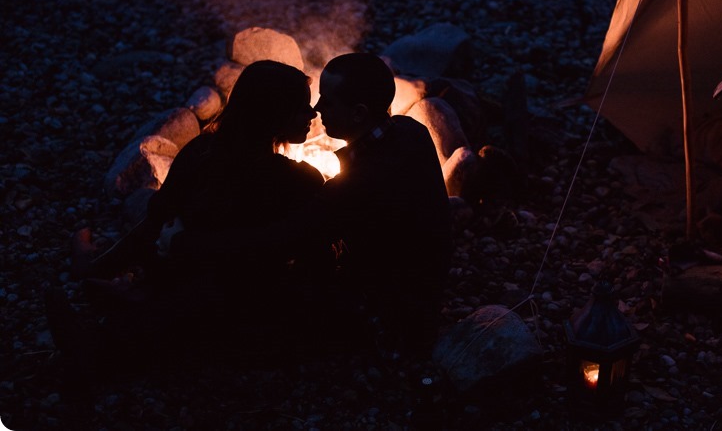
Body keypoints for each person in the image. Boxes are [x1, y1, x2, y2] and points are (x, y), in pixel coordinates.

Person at [50, 60, 327, 376]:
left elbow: (161, 217)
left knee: (211, 289)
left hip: (220, 281)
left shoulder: (203, 149)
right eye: (302, 108)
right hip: (211, 277)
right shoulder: (292, 179)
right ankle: (119, 306)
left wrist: (170, 245)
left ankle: (112, 315)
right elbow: (161, 215)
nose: (313, 114)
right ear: (274, 114)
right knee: (210, 287)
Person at [313, 52, 452, 357]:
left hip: (394, 308)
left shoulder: (360, 181)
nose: (317, 108)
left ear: (359, 113)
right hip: (429, 284)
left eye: (327, 100)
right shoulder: (412, 132)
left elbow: (312, 228)